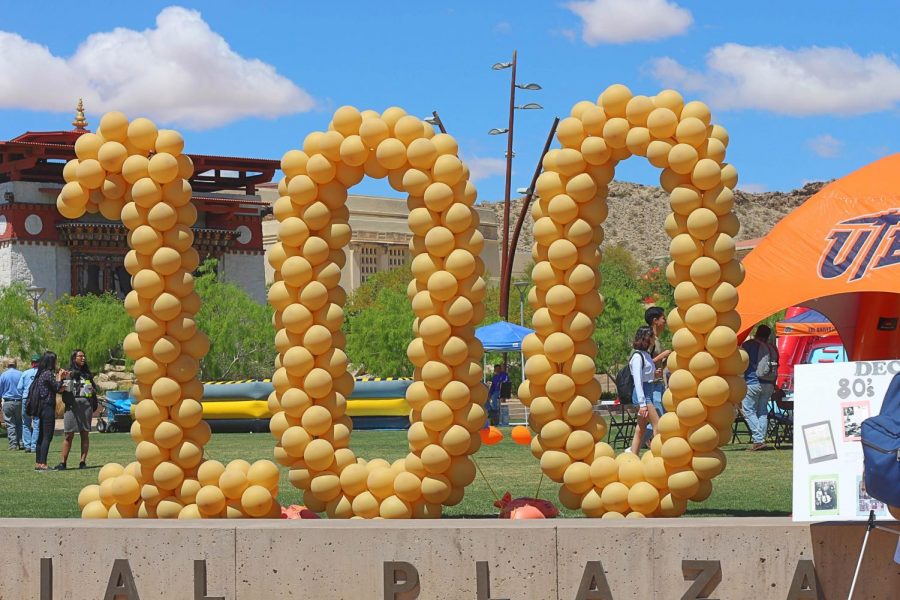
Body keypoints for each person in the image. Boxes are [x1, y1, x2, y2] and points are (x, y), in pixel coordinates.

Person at [55, 349, 97, 470]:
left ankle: (82, 462)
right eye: (80, 356)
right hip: (71, 406)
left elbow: (94, 390)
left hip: (85, 405)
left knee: (85, 434)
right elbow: (60, 390)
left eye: (84, 356)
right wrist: (62, 379)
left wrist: (92, 390)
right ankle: (63, 463)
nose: (83, 358)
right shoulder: (68, 373)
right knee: (68, 435)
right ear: (74, 358)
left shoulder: (87, 374)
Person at [741, 324, 777, 451]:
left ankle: (758, 440)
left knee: (748, 410)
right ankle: (760, 439)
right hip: (769, 383)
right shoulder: (772, 347)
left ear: (756, 332)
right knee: (762, 411)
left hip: (752, 381)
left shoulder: (749, 345)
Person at [33, 352, 67, 471]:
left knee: (41, 436)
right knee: (47, 436)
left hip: (42, 407)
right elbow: (57, 388)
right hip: (47, 407)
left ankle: (38, 463)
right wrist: (60, 377)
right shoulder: (47, 374)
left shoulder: (41, 373)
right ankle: (43, 464)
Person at [629, 326, 659, 455]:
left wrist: (654, 375)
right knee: (657, 425)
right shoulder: (637, 356)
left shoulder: (646, 355)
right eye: (652, 336)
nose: (655, 339)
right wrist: (642, 404)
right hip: (643, 395)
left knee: (640, 429)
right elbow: (637, 380)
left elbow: (646, 375)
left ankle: (633, 456)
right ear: (647, 338)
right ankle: (659, 454)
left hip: (648, 392)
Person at [16, 355, 40, 453]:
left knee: (26, 423)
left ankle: (27, 445)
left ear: (31, 363)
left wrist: (24, 393)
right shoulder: (41, 373)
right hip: (37, 399)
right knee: (37, 423)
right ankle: (34, 446)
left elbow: (19, 387)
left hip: (26, 398)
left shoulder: (25, 373)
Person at [0, 360, 24, 450]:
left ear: (7, 365)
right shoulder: (21, 374)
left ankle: (13, 444)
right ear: (15, 364)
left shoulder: (3, 375)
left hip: (7, 401)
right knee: (20, 423)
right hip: (19, 401)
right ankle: (21, 442)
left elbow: (0, 390)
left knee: (10, 424)